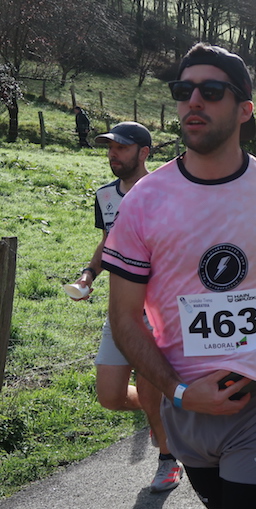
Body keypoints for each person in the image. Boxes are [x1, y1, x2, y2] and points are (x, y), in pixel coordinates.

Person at [102, 44, 256, 509]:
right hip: (187, 403)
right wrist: (178, 392)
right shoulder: (142, 202)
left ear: (244, 109)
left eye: (211, 91)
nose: (193, 101)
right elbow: (125, 316)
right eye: (183, 90)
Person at [71, 122, 182, 493]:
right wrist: (88, 275)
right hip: (120, 310)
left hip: (159, 312)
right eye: (109, 148)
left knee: (150, 392)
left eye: (120, 147)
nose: (112, 154)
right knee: (111, 396)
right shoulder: (105, 195)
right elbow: (109, 242)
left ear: (144, 152)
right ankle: (165, 411)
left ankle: (168, 459)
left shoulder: (167, 191)